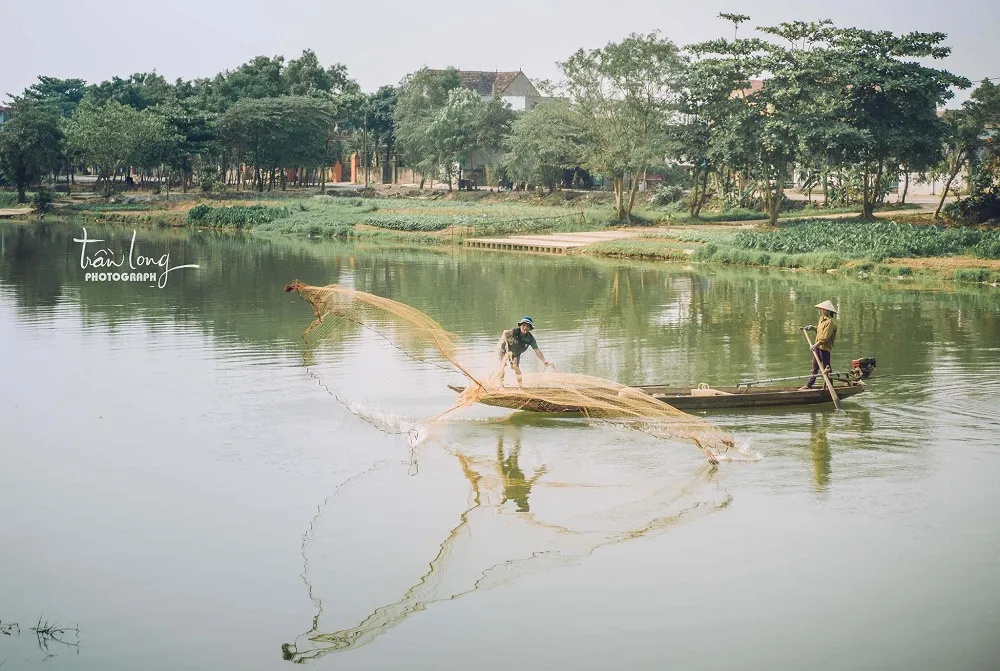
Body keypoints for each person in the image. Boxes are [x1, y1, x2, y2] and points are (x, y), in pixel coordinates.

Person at [497, 316, 551, 386]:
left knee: (516, 368)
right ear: (520, 326)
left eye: (528, 326)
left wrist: (544, 361)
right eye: (524, 325)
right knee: (503, 366)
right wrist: (507, 349)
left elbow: (537, 350)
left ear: (530, 328)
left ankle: (520, 385)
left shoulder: (530, 339)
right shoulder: (514, 331)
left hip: (516, 353)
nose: (525, 328)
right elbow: (505, 333)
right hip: (504, 350)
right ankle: (501, 385)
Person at [804, 300, 838, 389]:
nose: (822, 311)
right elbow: (820, 330)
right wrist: (813, 328)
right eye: (822, 309)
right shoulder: (821, 319)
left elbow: (825, 337)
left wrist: (815, 345)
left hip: (825, 349)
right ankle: (809, 385)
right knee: (815, 367)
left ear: (828, 311)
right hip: (818, 347)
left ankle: (830, 386)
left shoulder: (830, 322)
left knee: (826, 368)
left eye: (824, 309)